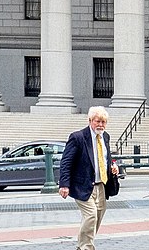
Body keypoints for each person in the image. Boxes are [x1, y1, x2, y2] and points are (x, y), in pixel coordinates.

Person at [59, 106, 119, 250]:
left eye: (104, 122)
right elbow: (66, 162)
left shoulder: (105, 136)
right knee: (91, 215)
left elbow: (104, 158)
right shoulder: (78, 137)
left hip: (101, 185)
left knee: (97, 216)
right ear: (90, 120)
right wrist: (64, 184)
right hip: (83, 184)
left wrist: (113, 167)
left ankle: (82, 245)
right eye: (97, 121)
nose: (100, 125)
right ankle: (86, 247)